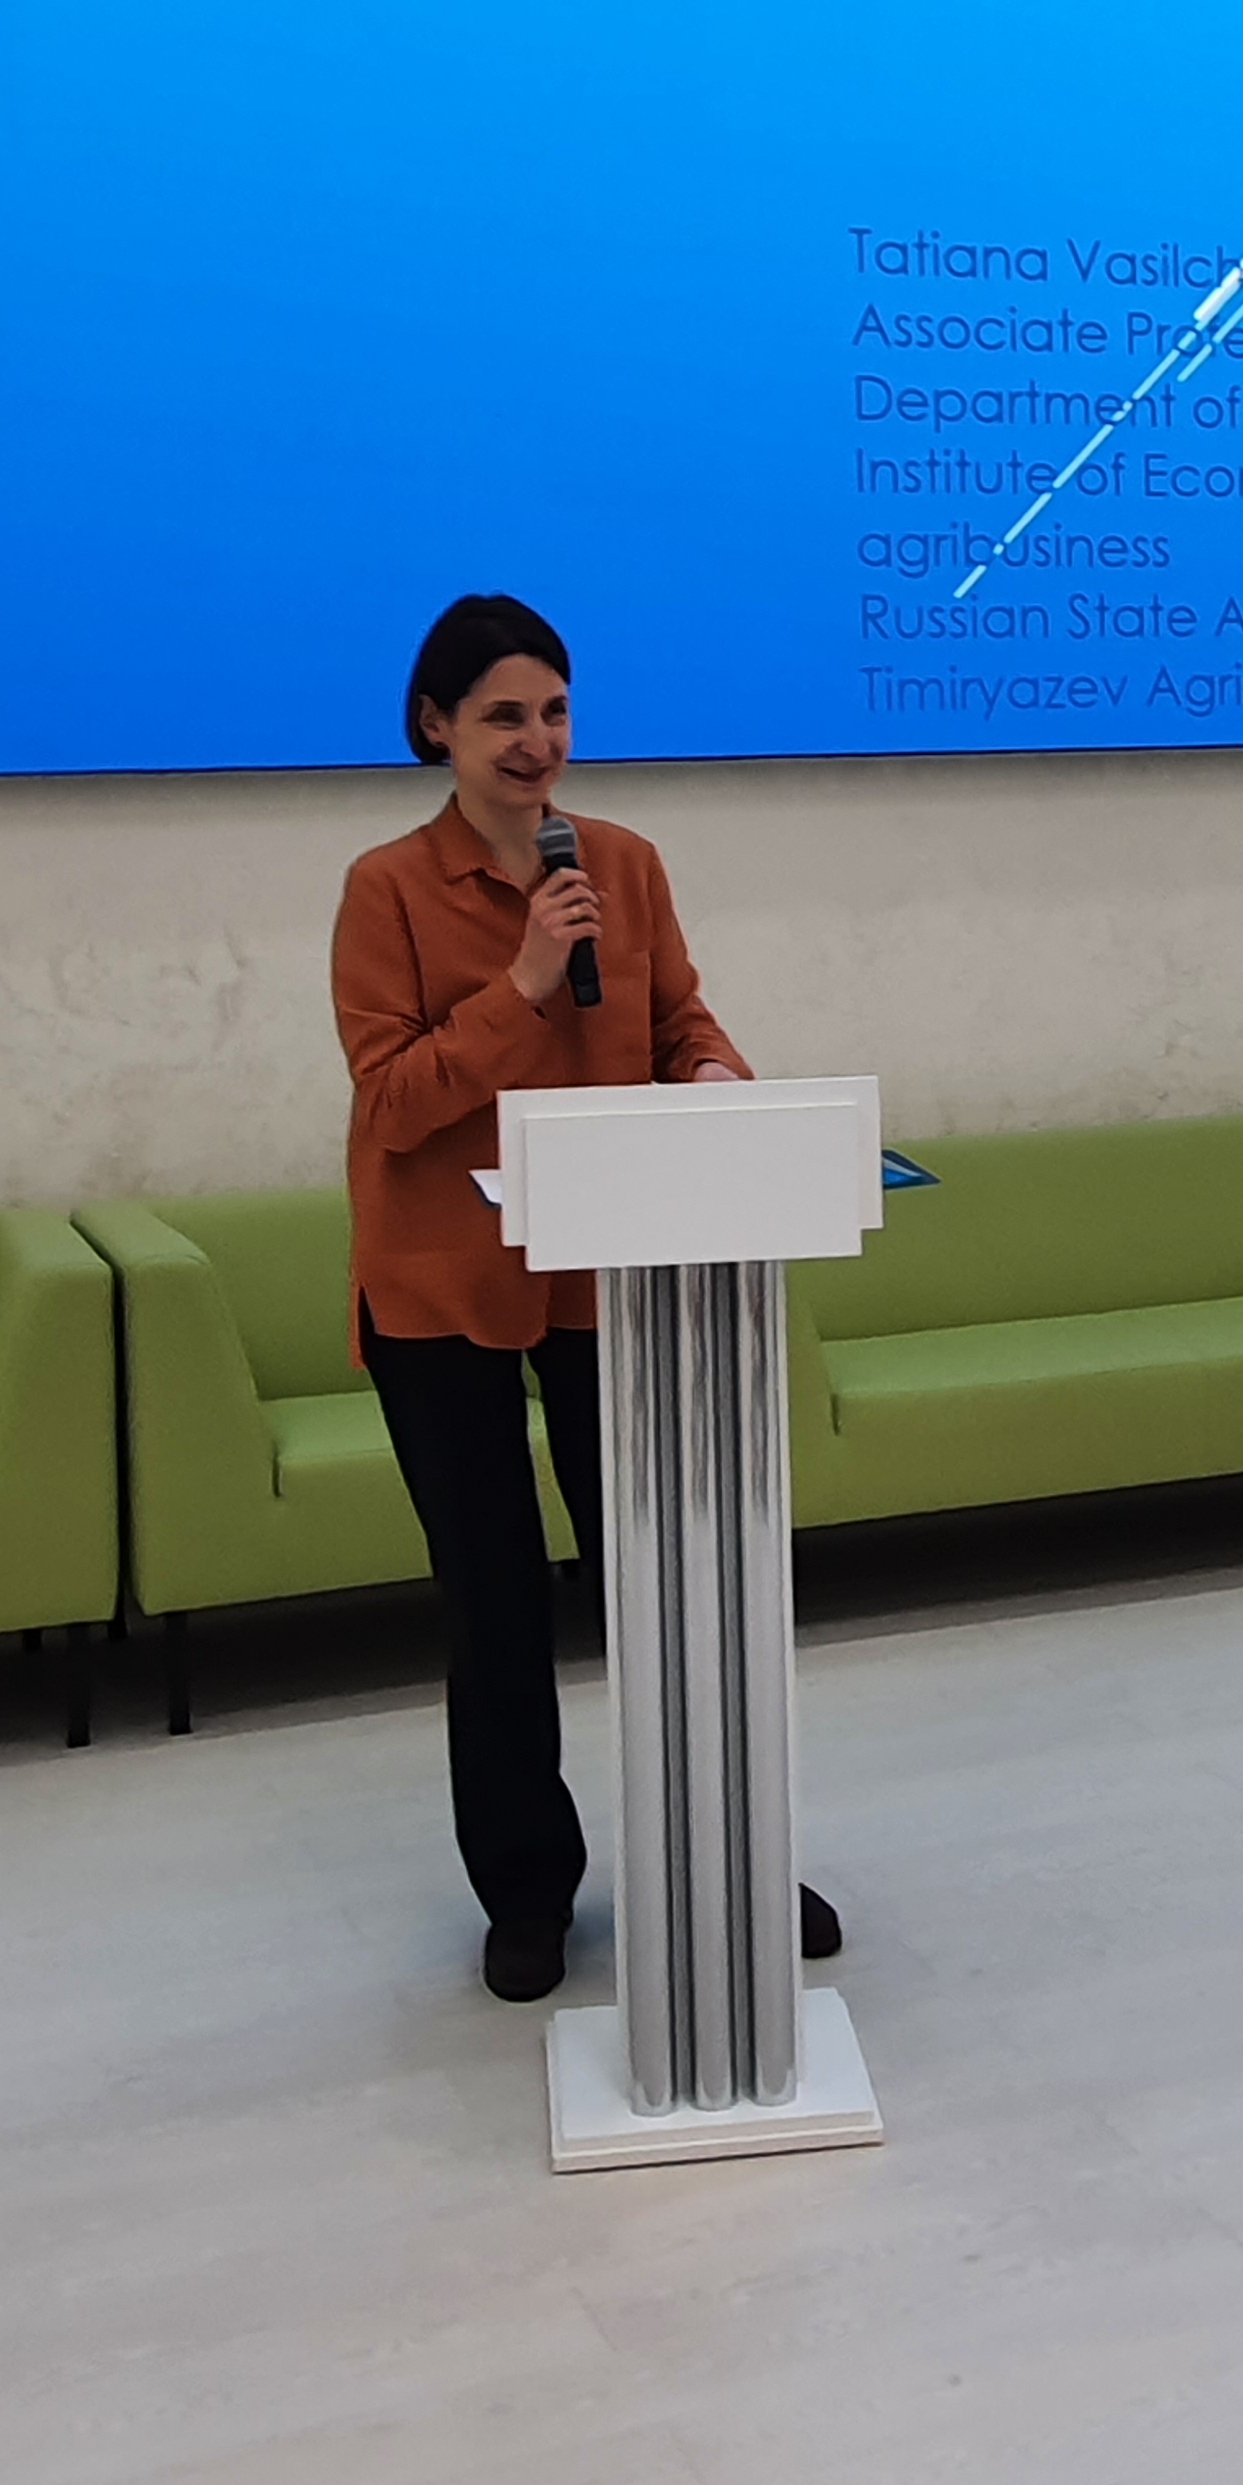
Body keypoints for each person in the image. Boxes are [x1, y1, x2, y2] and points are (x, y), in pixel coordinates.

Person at [332, 593, 844, 2003]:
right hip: (444, 1289)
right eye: (503, 715)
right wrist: (520, 983)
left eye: (554, 712)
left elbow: (678, 1018)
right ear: (436, 725)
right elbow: (394, 1101)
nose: (537, 741)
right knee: (495, 1605)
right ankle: (528, 1892)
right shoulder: (388, 890)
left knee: (677, 1584)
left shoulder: (623, 862)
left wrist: (714, 1075)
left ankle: (724, 1862)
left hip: (620, 1275)